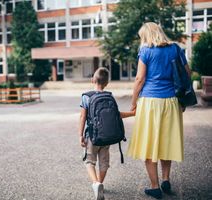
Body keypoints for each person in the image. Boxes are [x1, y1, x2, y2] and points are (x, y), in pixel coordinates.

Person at [127, 22, 190, 199]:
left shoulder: (146, 51)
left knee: (148, 143)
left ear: (147, 35)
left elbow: (140, 79)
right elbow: (186, 73)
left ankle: (155, 187)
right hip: (171, 101)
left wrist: (133, 102)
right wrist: (183, 100)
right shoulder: (176, 48)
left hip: (150, 102)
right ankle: (166, 179)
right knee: (166, 141)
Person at [79, 67, 135, 200]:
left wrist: (80, 135)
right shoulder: (109, 96)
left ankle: (96, 183)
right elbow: (117, 115)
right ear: (107, 83)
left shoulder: (86, 97)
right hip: (107, 137)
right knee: (104, 163)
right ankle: (100, 183)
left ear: (93, 79)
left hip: (92, 137)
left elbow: (82, 117)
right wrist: (133, 113)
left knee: (90, 161)